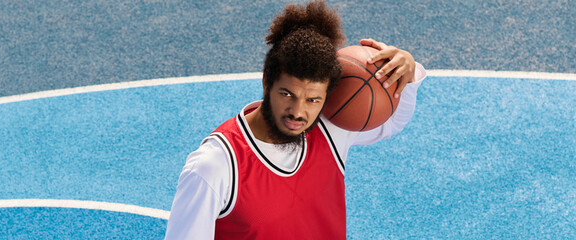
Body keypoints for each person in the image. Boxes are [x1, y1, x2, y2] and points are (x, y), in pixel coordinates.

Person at [164, 1, 427, 239]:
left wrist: (407, 68)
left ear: (326, 96)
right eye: (287, 94)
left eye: (313, 99)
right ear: (267, 82)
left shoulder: (329, 128)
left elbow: (390, 123)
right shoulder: (215, 166)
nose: (298, 112)